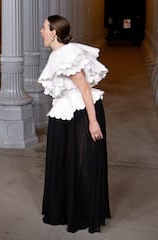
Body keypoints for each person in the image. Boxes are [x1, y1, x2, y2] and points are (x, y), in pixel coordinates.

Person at [38, 15, 111, 233]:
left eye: (44, 28)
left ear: (53, 32)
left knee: (82, 164)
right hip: (67, 112)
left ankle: (81, 214)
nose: (41, 31)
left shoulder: (66, 54)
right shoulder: (58, 53)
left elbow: (85, 88)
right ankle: (67, 210)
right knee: (67, 162)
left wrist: (93, 122)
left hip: (82, 114)